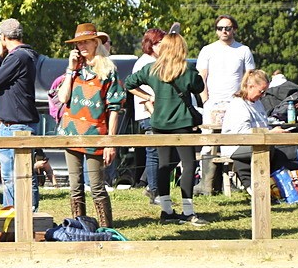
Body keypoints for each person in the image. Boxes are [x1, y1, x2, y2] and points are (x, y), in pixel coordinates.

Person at [124, 26, 207, 225]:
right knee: (188, 164)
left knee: (163, 165)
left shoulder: (152, 69)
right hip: (182, 123)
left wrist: (148, 97)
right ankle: (188, 210)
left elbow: (128, 82)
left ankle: (167, 211)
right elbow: (199, 87)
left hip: (159, 123)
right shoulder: (187, 70)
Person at [55, 24, 126, 227]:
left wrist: (110, 142)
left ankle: (106, 229)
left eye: (86, 41)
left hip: (96, 133)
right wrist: (70, 69)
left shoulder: (108, 71)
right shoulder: (75, 69)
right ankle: (80, 227)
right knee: (75, 186)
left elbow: (114, 109)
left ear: (96, 43)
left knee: (96, 185)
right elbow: (63, 97)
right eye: (79, 43)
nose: (82, 46)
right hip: (71, 132)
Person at [0, 18, 40, 208]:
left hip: (18, 125)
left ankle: (27, 217)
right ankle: (14, 218)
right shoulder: (24, 56)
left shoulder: (18, 57)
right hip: (12, 124)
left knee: (23, 175)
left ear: (3, 37)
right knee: (11, 176)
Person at [221, 69, 298, 195]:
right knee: (267, 149)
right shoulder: (238, 105)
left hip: (257, 142)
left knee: (281, 151)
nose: (263, 95)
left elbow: (263, 126)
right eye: (261, 91)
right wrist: (270, 134)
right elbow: (242, 134)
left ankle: (278, 188)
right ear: (250, 86)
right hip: (235, 146)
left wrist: (272, 131)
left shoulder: (258, 103)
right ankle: (255, 187)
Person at [196, 15, 255, 124]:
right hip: (212, 104)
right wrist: (205, 101)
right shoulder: (207, 50)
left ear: (234, 30)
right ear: (216, 31)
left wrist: (244, 99)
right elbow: (202, 77)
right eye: (220, 28)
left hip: (237, 103)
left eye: (227, 28)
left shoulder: (244, 50)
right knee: (210, 138)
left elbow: (250, 77)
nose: (224, 31)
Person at [131, 28, 166, 203]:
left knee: (165, 152)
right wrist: (149, 103)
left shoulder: (160, 62)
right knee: (153, 152)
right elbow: (136, 88)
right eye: (160, 43)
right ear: (151, 44)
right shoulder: (144, 63)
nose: (164, 46)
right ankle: (154, 191)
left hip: (161, 113)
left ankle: (151, 186)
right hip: (149, 113)